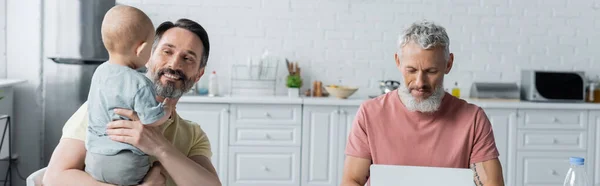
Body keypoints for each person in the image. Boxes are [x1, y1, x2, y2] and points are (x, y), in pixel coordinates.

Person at [43, 18, 222, 186]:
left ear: (199, 74)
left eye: (188, 58)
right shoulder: (103, 107)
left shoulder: (193, 135)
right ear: (148, 57)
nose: (174, 64)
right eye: (167, 51)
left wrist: (160, 147)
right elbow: (54, 177)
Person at [341, 20, 504, 186]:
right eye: (411, 70)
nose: (420, 82)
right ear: (398, 62)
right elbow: (352, 180)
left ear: (448, 64)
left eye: (431, 71)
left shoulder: (473, 119)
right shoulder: (370, 113)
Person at [83, 5, 176, 185]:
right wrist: (167, 108)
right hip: (125, 164)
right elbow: (150, 119)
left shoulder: (99, 73)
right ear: (141, 49)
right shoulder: (139, 82)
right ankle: (153, 176)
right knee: (158, 170)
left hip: (94, 160)